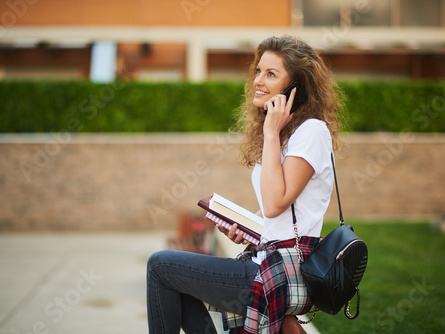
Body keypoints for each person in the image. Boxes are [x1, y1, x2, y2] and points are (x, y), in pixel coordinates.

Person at [146, 35, 344, 334]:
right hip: (266, 258)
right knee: (175, 279)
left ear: (295, 88)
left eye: (271, 74)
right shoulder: (287, 134)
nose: (258, 80)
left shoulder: (311, 131)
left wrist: (271, 133)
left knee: (161, 267)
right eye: (258, 71)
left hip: (283, 271)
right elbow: (276, 211)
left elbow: (276, 201)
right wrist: (246, 228)